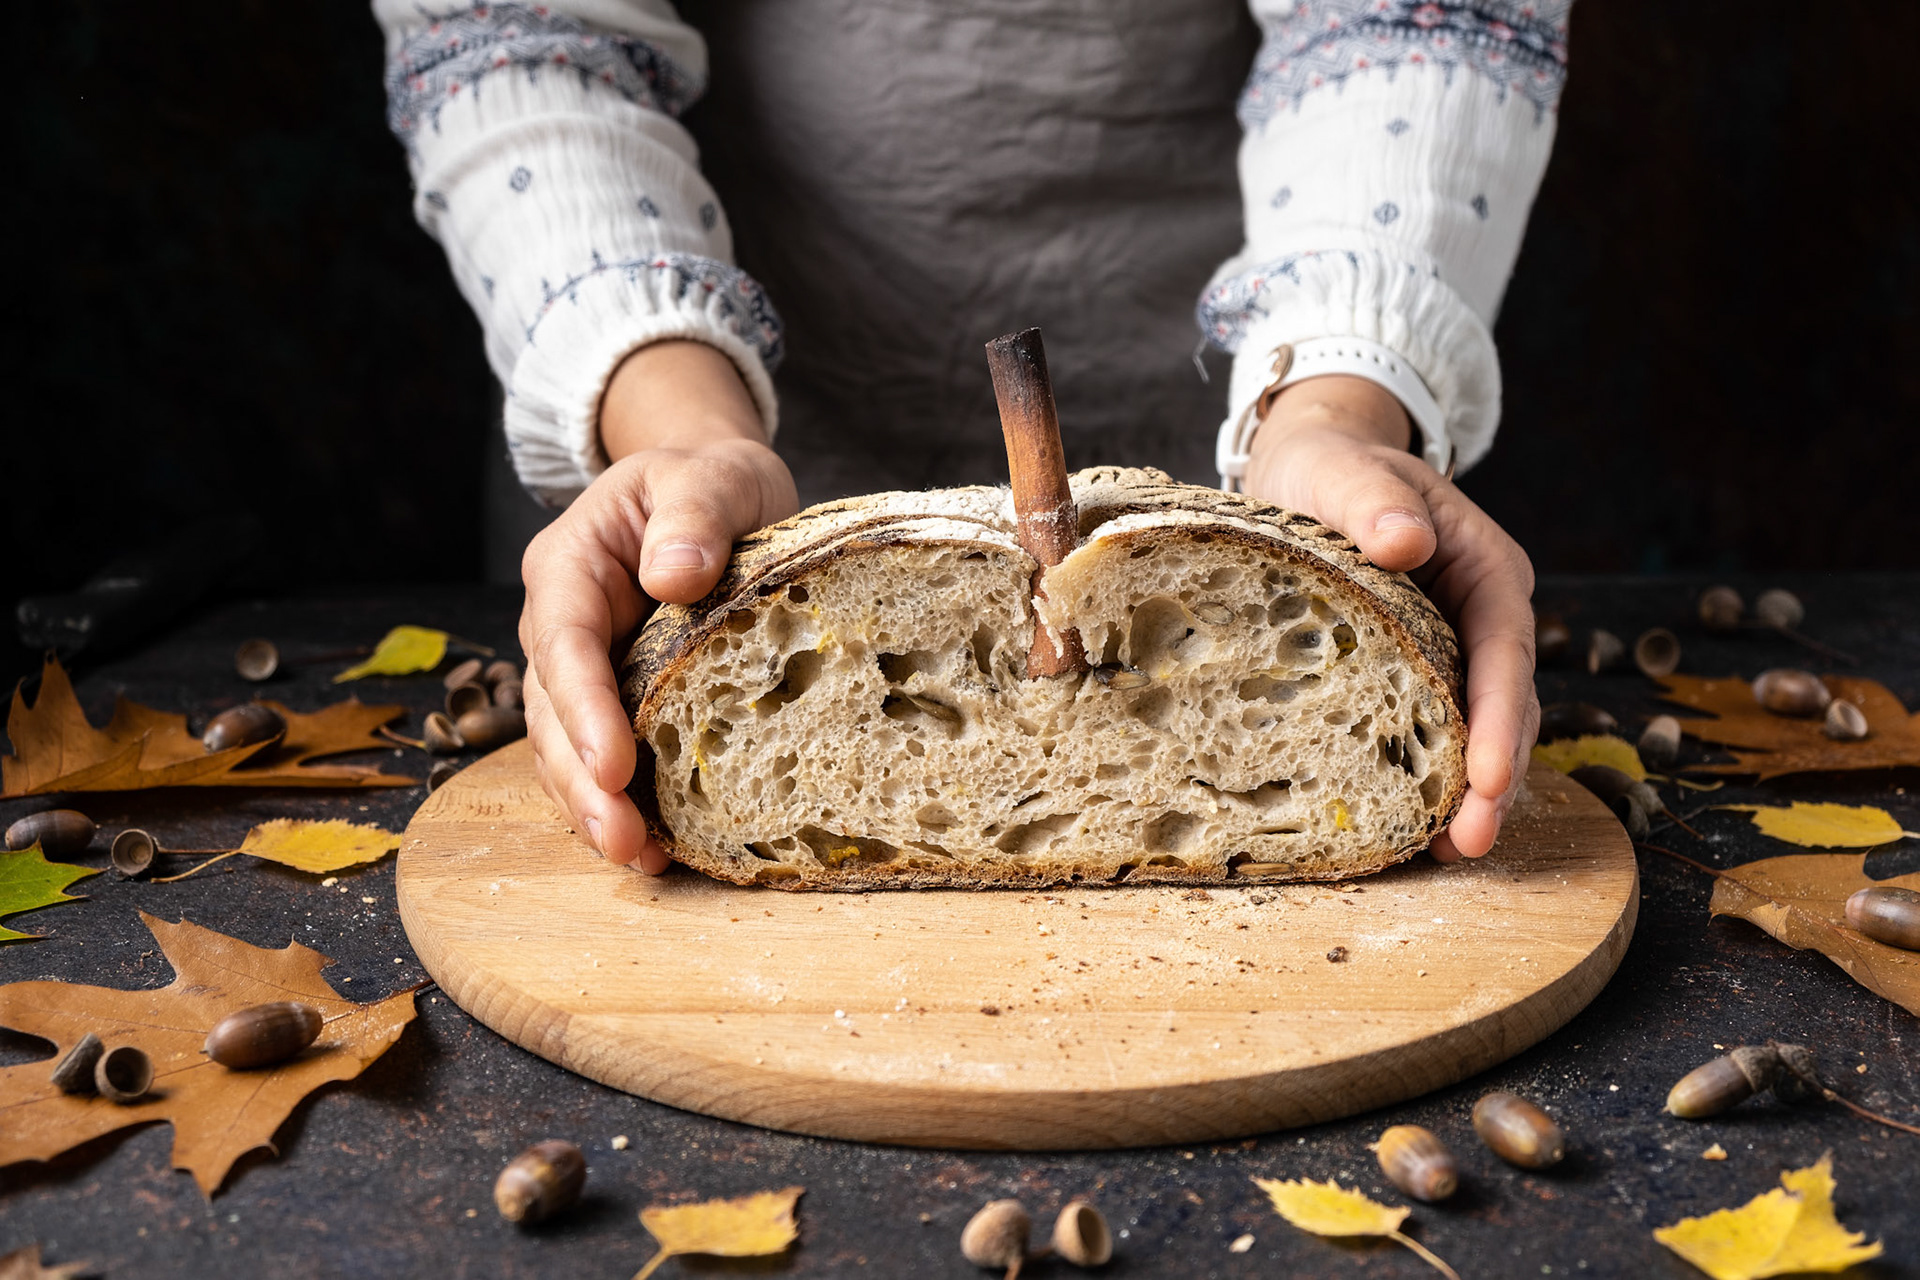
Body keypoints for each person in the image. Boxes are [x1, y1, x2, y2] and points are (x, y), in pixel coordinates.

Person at [376, 0, 1560, 872]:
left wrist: (1338, 402)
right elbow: (512, 33)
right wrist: (671, 430)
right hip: (685, 400)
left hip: (1255, 411)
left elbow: (1424, 19)